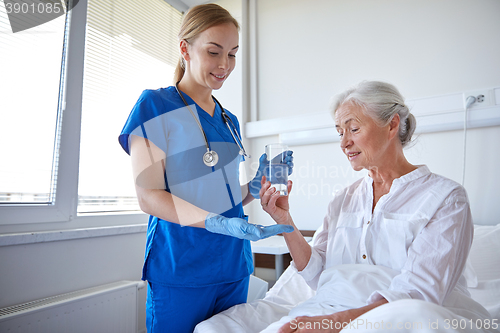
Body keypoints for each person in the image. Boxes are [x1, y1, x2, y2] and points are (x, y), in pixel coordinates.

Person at [259, 81, 495, 333]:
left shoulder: (446, 198)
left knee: (413, 315)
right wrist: (285, 220)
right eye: (340, 132)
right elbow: (316, 275)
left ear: (392, 125)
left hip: (402, 316)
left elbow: (419, 293)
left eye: (354, 129)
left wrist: (332, 324)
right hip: (330, 309)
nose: (344, 143)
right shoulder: (343, 200)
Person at [118, 4, 293, 333]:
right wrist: (218, 224)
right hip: (181, 270)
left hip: (233, 268)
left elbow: (223, 198)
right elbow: (149, 196)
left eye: (232, 54)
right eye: (214, 52)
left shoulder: (229, 121)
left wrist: (256, 186)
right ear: (185, 48)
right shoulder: (156, 105)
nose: (225, 65)